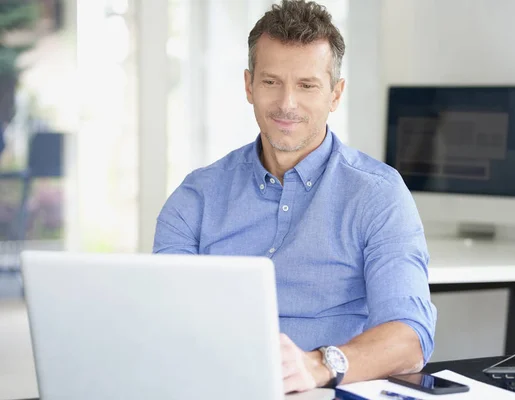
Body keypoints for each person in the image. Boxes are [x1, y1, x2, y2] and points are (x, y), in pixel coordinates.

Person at [153, 0, 436, 394]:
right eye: (271, 82)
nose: (287, 103)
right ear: (249, 85)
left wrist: (319, 365)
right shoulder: (195, 198)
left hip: (327, 390)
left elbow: (410, 339)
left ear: (335, 94)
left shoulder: (378, 195)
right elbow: (163, 321)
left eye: (307, 85)